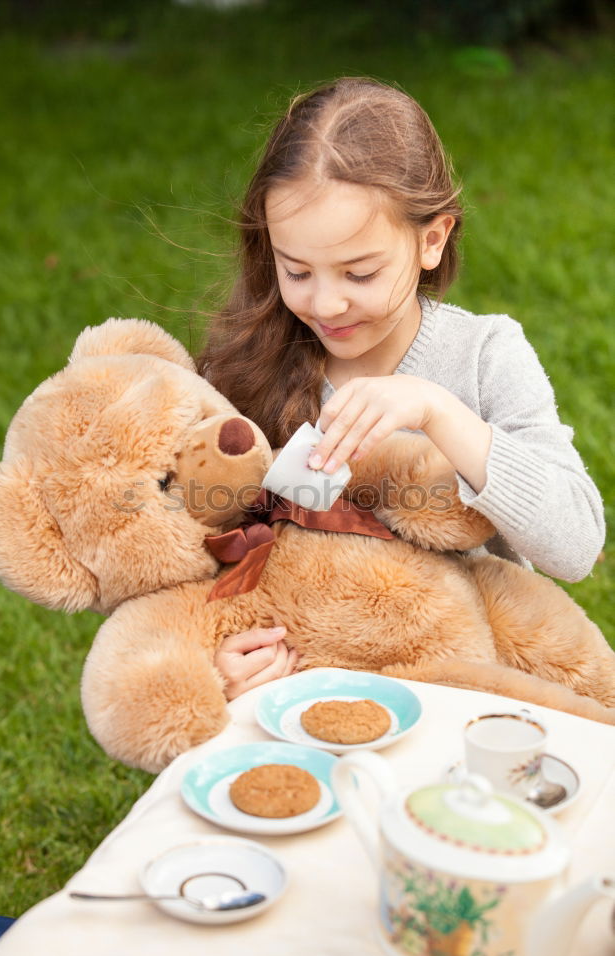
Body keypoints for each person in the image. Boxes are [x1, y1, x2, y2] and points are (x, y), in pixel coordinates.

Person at [196, 76, 605, 700]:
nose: (326, 302)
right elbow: (190, 552)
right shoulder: (248, 367)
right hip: (307, 692)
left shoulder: (483, 356)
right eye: (296, 270)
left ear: (431, 241)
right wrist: (213, 660)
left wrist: (439, 413)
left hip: (468, 688)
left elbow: (574, 547)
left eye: (360, 273)